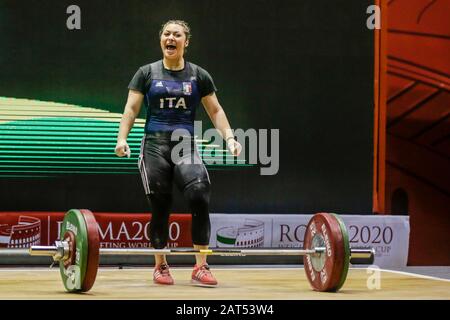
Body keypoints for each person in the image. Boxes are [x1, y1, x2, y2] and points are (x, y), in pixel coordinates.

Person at [115, 20, 242, 286]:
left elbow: (215, 111)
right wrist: (122, 138)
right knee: (160, 205)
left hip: (185, 145)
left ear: (186, 42)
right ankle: (161, 266)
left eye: (177, 34)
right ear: (161, 39)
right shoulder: (146, 73)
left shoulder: (198, 75)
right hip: (154, 145)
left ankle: (201, 265)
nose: (170, 38)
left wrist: (230, 138)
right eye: (166, 34)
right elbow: (131, 109)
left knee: (199, 195)